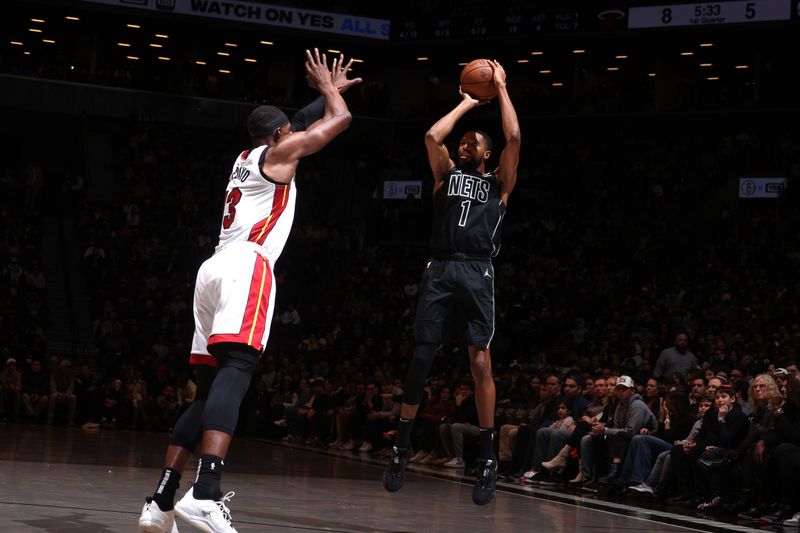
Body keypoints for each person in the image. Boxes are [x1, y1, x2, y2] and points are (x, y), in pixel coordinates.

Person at [137, 48, 357, 533]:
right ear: (279, 137)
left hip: (212, 270)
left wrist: (325, 93)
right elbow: (339, 121)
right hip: (247, 267)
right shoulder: (280, 154)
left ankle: (161, 499)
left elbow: (300, 119)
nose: (295, 134)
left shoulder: (247, 156)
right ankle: (206, 491)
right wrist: (330, 91)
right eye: (289, 132)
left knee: (207, 392)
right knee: (237, 370)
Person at [383, 60, 520, 506]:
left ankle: (487, 458)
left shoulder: (500, 182)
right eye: (462, 141)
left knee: (480, 362)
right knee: (422, 355)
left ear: (486, 153)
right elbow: (431, 136)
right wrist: (465, 104)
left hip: (478, 270)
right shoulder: (445, 174)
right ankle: (401, 447)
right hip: (440, 268)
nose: (464, 144)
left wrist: (499, 90)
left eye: (473, 142)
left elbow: (514, 138)